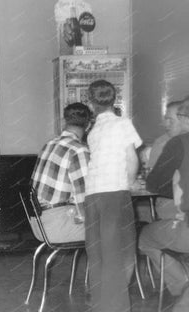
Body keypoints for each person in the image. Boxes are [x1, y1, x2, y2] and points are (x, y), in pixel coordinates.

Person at [84, 79, 142, 312]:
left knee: (98, 254)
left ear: (90, 103)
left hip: (92, 197)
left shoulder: (92, 132)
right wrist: (130, 182)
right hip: (114, 194)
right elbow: (132, 158)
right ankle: (117, 308)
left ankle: (99, 304)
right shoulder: (122, 123)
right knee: (121, 252)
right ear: (115, 99)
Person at [139, 99, 189, 312]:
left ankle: (180, 286)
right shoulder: (166, 141)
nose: (166, 123)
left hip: (183, 222)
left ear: (184, 118)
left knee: (144, 238)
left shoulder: (179, 143)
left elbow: (155, 182)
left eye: (172, 118)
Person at [30, 102, 91, 243]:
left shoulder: (49, 145)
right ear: (88, 126)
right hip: (57, 227)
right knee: (115, 227)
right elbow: (85, 200)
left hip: (38, 225)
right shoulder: (79, 150)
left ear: (64, 122)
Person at [143, 100, 185, 220]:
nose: (165, 124)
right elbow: (152, 179)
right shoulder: (161, 143)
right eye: (165, 119)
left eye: (170, 120)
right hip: (169, 201)